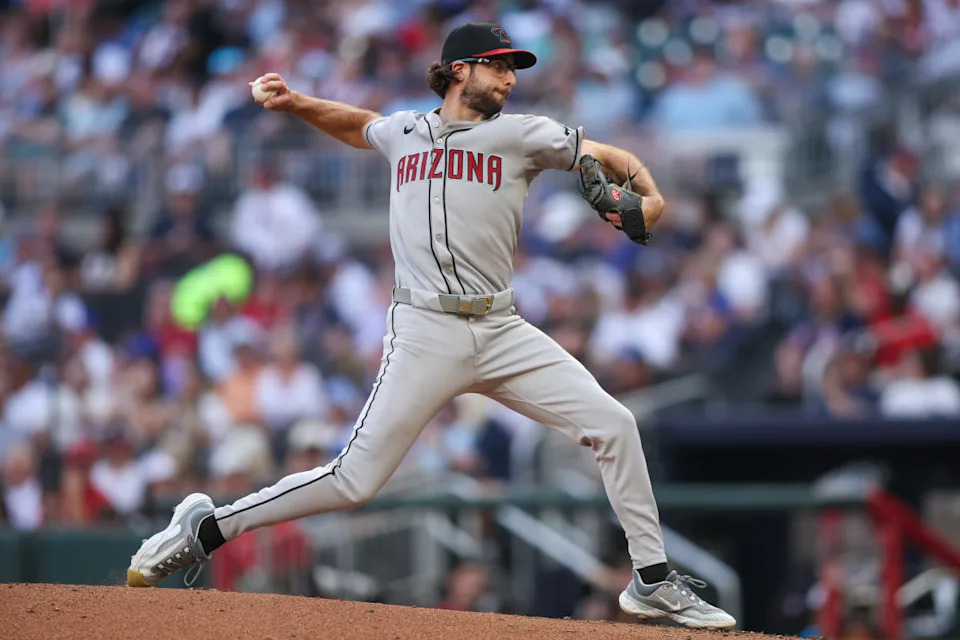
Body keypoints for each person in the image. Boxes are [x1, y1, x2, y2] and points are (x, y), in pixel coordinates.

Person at [126, 23, 735, 629]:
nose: (510, 77)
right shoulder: (405, 131)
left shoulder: (524, 136)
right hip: (424, 330)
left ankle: (652, 580)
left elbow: (612, 158)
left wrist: (649, 199)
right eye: (498, 65)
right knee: (354, 480)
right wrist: (298, 102)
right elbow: (356, 124)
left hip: (501, 328)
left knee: (615, 423)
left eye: (514, 67)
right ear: (460, 70)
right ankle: (209, 526)